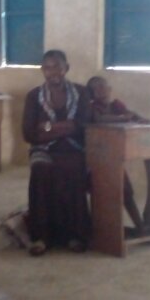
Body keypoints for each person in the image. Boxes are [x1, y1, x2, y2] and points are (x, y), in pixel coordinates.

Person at [21, 50, 92, 255]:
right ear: (43, 70)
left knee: (73, 169)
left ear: (66, 68)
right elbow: (28, 133)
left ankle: (74, 235)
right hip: (43, 149)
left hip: (73, 148)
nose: (53, 72)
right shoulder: (34, 96)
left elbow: (81, 126)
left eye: (58, 67)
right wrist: (63, 127)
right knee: (41, 169)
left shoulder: (81, 92)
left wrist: (48, 128)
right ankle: (41, 237)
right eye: (48, 67)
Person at [86, 75, 150, 237]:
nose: (103, 90)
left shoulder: (116, 105)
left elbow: (131, 114)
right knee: (111, 190)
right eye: (97, 88)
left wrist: (140, 119)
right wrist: (122, 118)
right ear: (91, 94)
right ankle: (105, 230)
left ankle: (140, 225)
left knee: (126, 190)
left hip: (113, 160)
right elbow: (99, 120)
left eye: (104, 86)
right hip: (93, 163)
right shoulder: (91, 108)